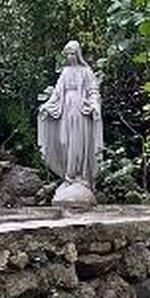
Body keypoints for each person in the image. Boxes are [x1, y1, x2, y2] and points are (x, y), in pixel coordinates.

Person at [37, 40, 103, 198]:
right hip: (65, 109)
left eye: (73, 53)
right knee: (64, 141)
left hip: (80, 111)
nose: (70, 56)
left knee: (78, 142)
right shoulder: (65, 72)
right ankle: (68, 176)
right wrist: (47, 106)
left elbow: (93, 90)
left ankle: (79, 176)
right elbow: (57, 93)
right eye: (67, 54)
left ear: (78, 54)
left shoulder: (86, 72)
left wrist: (94, 105)